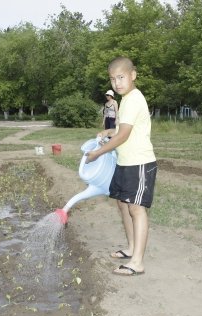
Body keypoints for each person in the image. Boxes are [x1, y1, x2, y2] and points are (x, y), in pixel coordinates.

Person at [85, 57, 158, 276]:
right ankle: (131, 248)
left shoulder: (134, 99)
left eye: (121, 77)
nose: (117, 83)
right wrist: (108, 132)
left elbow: (124, 135)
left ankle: (137, 262)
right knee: (123, 205)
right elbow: (121, 129)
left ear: (133, 75)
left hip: (140, 162)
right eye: (112, 79)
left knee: (136, 208)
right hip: (124, 162)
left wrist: (97, 153)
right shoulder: (126, 99)